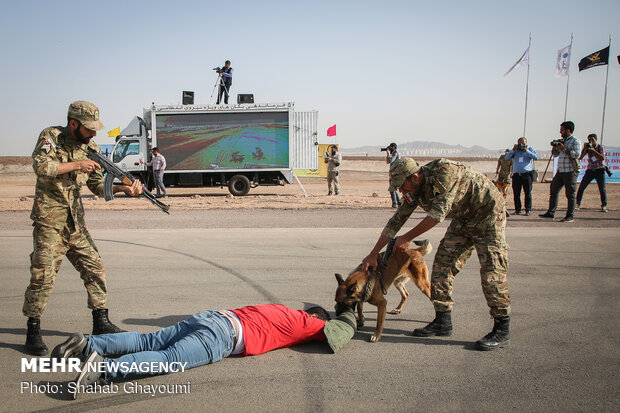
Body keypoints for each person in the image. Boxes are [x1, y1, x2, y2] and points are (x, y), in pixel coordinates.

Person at [23, 101, 143, 356]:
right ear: (73, 123)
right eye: (89, 128)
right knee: (43, 277)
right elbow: (42, 168)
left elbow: (99, 186)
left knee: (95, 267)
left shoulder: (92, 149)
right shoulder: (51, 137)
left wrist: (126, 188)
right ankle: (33, 329)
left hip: (75, 224)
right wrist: (77, 165)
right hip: (50, 223)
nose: (94, 134)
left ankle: (101, 322)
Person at [361, 158, 511, 351]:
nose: (400, 190)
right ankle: (443, 321)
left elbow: (437, 215)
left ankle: (502, 329)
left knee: (492, 272)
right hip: (463, 219)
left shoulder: (444, 172)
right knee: (442, 267)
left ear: (415, 176)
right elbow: (396, 221)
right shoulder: (413, 190)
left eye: (402, 185)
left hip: (488, 215)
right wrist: (373, 254)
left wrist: (407, 238)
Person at [52, 304, 355, 398]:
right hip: (223, 336)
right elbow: (339, 332)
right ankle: (101, 370)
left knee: (150, 341)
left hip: (212, 316)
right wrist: (351, 312)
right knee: (168, 359)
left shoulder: (278, 309)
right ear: (316, 318)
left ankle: (87, 343)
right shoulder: (305, 322)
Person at [539, 121, 581, 222]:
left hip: (570, 171)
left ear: (568, 130)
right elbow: (555, 154)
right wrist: (555, 147)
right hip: (561, 171)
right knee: (553, 190)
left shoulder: (575, 141)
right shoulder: (562, 141)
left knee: (570, 194)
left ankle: (570, 216)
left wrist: (564, 148)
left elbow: (576, 155)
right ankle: (551, 212)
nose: (560, 132)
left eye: (562, 130)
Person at [505, 137, 539, 216]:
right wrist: (513, 149)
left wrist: (526, 151)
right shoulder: (515, 151)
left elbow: (536, 157)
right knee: (516, 193)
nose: (522, 145)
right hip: (517, 175)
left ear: (526, 143)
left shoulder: (530, 149)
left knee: (528, 193)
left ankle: (528, 210)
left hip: (527, 175)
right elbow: (507, 158)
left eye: (523, 143)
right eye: (520, 143)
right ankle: (518, 210)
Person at [576, 134, 607, 213]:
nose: (591, 141)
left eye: (592, 140)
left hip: (599, 170)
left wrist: (593, 151)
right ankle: (577, 204)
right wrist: (585, 149)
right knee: (582, 187)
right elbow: (580, 157)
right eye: (589, 140)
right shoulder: (588, 148)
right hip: (590, 170)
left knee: (602, 189)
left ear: (596, 139)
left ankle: (604, 205)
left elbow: (602, 157)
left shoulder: (600, 147)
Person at [385, 142, 401, 208]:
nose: (390, 149)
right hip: (394, 173)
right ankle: (399, 202)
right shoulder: (395, 153)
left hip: (394, 173)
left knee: (392, 189)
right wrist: (387, 154)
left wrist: (389, 154)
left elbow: (391, 161)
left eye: (390, 147)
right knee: (394, 188)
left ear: (394, 147)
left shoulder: (395, 153)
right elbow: (387, 162)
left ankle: (395, 203)